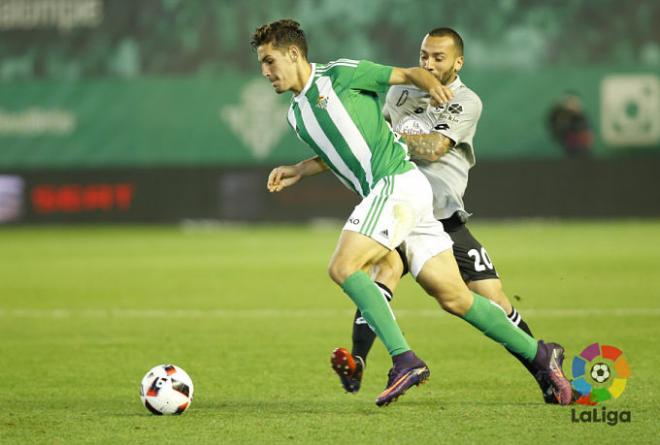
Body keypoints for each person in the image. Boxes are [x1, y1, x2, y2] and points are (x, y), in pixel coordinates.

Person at [252, 19, 573, 407]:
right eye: (261, 64)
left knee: (343, 267)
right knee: (454, 297)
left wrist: (430, 83)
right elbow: (345, 146)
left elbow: (405, 73)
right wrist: (299, 170)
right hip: (405, 194)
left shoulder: (341, 74)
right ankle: (540, 354)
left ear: (293, 53)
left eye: (270, 61)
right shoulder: (296, 115)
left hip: (397, 184)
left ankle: (404, 359)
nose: (266, 71)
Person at [331, 27, 561, 404]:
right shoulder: (398, 92)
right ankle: (358, 361)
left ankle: (542, 368)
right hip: (400, 205)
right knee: (382, 270)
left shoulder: (466, 101)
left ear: (458, 62)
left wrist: (383, 138)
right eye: (424, 56)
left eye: (438, 57)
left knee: (492, 299)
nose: (428, 64)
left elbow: (434, 147)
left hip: (443, 215)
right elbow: (366, 144)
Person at [547, 91, 593, 157]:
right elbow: (554, 124)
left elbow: (588, 134)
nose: (574, 104)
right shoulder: (562, 116)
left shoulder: (581, 117)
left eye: (575, 102)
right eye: (571, 102)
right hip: (570, 149)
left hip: (583, 149)